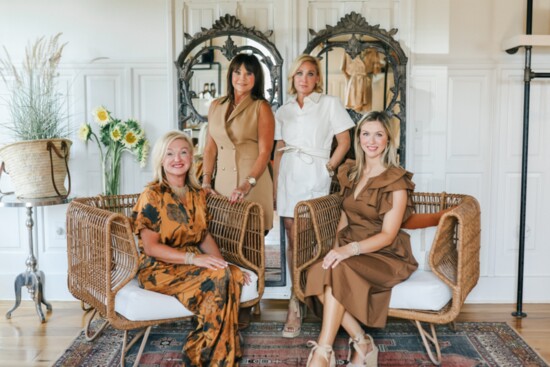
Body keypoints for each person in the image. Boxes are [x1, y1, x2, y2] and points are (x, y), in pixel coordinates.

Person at [303, 111, 417, 367]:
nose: (371, 141)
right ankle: (362, 341)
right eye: (366, 134)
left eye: (378, 134)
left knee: (338, 270)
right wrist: (335, 250)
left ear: (388, 139)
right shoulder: (352, 172)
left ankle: (323, 352)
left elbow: (388, 235)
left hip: (385, 254)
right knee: (317, 272)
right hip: (352, 249)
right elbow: (345, 216)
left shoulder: (396, 181)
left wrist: (348, 251)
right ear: (359, 138)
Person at [131, 131, 250, 367]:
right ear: (161, 160)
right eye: (170, 153)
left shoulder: (197, 194)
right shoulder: (152, 195)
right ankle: (214, 358)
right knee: (218, 279)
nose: (178, 158)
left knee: (231, 274)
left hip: (189, 263)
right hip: (158, 268)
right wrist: (194, 259)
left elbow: (203, 235)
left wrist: (224, 263)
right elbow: (151, 247)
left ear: (191, 158)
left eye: (183, 152)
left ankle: (203, 351)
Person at [273, 54, 354, 339]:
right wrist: (275, 190)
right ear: (292, 78)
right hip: (288, 175)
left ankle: (319, 297)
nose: (304, 79)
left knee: (315, 239)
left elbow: (345, 140)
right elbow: (279, 149)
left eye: (310, 74)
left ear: (317, 78)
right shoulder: (282, 110)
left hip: (316, 173)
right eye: (299, 74)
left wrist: (330, 166)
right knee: (293, 240)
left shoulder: (329, 104)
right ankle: (295, 301)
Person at [202, 53, 275, 231]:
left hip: (251, 183)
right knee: (224, 240)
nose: (242, 78)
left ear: (256, 78)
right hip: (222, 185)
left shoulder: (261, 107)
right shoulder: (216, 105)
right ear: (230, 75)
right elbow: (210, 149)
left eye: (248, 73)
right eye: (237, 72)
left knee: (250, 243)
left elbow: (265, 153)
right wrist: (206, 181)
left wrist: (246, 184)